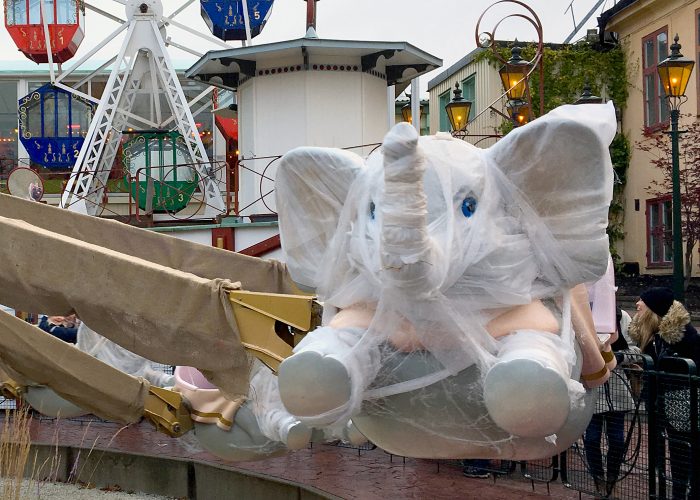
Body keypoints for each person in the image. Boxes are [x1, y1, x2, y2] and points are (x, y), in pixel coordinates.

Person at [629, 286, 700, 500]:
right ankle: (679, 493)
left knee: (688, 453)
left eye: (643, 301)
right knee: (677, 454)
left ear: (655, 308)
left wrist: (659, 372)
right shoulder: (654, 336)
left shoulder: (685, 337)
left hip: (686, 405)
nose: (637, 304)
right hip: (667, 406)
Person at [584, 307, 639, 499]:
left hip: (617, 389)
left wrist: (618, 357)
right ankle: (598, 479)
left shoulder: (620, 315)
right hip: (591, 390)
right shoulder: (581, 313)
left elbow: (636, 349)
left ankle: (612, 479)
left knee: (617, 440)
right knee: (591, 439)